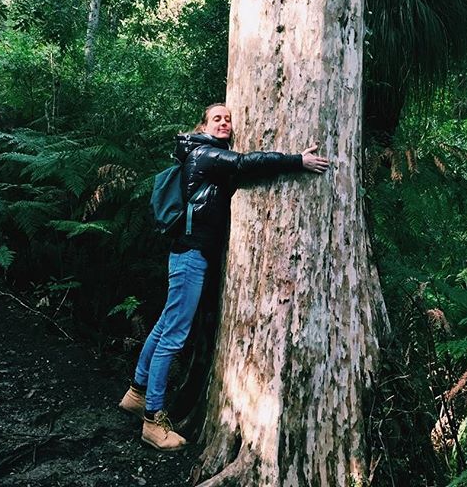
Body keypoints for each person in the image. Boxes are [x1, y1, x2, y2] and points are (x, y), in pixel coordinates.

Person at [118, 103, 329, 450]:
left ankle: (136, 394)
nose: (225, 123)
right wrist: (297, 161)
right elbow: (246, 163)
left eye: (228, 119)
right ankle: (152, 422)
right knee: (173, 335)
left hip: (188, 253)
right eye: (217, 118)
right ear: (202, 124)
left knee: (163, 326)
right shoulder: (204, 153)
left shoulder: (202, 154)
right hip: (190, 255)